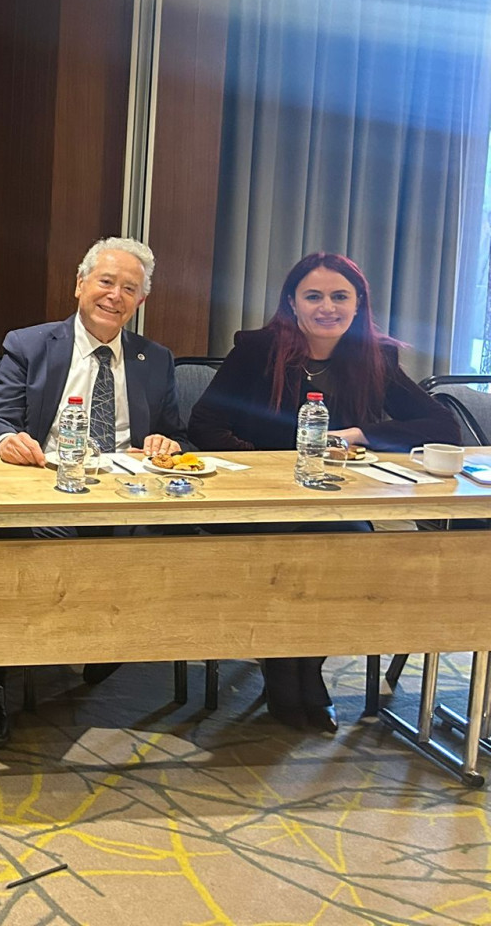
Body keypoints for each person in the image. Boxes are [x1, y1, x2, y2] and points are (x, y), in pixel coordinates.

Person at [188, 251, 456, 732]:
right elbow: (205, 423)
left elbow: (442, 425)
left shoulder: (375, 356)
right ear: (292, 302)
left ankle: (309, 667)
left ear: (358, 305)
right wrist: (269, 466)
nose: (327, 307)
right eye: (313, 296)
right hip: (260, 500)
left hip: (333, 499)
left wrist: (359, 434)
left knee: (352, 545)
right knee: (286, 545)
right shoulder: (257, 349)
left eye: (339, 297)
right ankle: (280, 667)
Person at [0, 236, 187, 748]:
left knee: (172, 544)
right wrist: (7, 441)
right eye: (106, 281)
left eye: (129, 288)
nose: (115, 296)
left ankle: (108, 640)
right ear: (79, 284)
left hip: (126, 494)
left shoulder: (155, 359)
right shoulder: (29, 345)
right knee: (27, 547)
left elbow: (179, 435)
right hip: (49, 487)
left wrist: (166, 443)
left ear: (141, 300)